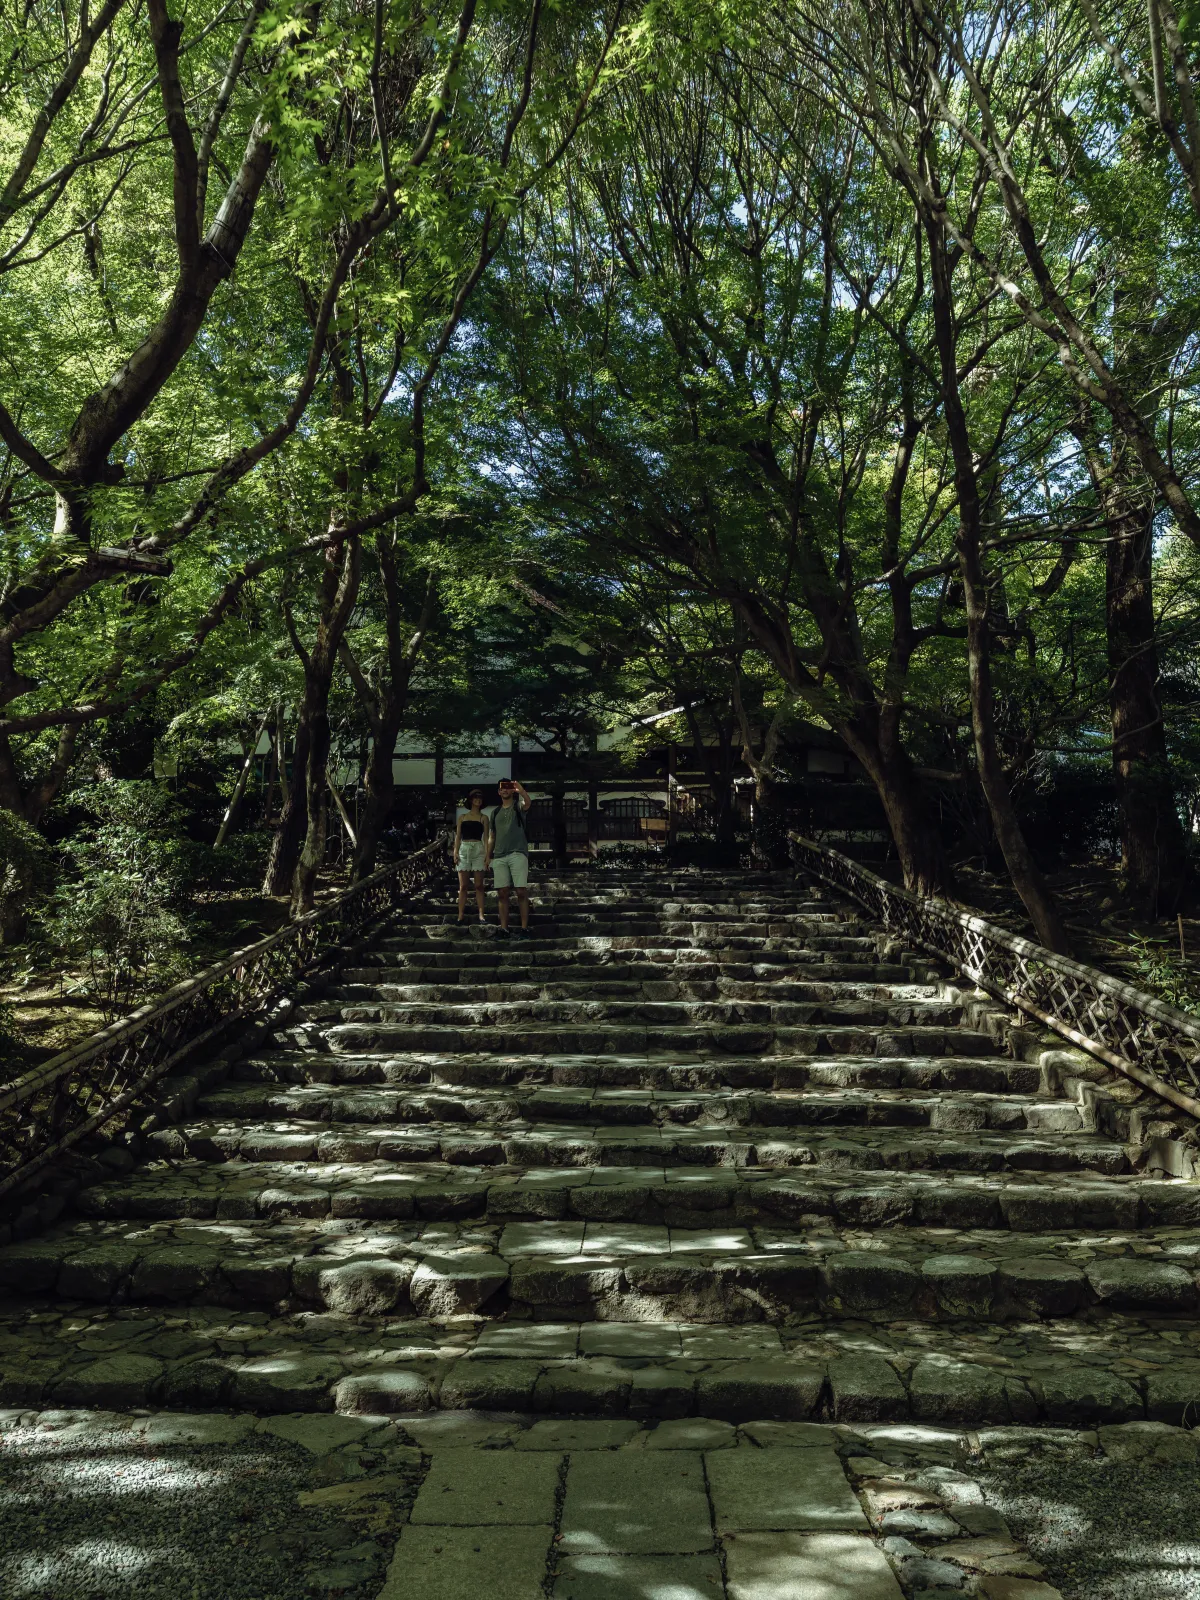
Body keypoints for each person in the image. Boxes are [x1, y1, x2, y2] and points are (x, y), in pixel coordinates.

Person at [487, 777, 531, 937]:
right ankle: (504, 928)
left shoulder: (518, 807)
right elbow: (492, 836)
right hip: (499, 855)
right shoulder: (495, 812)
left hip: (518, 852)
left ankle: (524, 928)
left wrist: (521, 790)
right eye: (502, 788)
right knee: (502, 893)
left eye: (508, 787)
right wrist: (487, 856)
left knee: (521, 891)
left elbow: (528, 804)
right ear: (499, 792)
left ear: (512, 790)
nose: (505, 790)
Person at [452, 790, 491, 924]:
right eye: (475, 797)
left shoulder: (484, 818)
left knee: (479, 885)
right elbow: (458, 836)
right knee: (463, 885)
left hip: (478, 848)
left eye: (480, 798)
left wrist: (487, 855)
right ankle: (460, 915)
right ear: (471, 800)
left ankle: (481, 915)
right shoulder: (462, 817)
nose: (478, 800)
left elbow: (486, 837)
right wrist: (455, 852)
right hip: (464, 848)